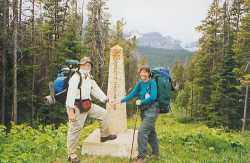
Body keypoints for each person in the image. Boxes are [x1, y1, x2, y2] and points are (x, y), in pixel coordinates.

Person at [66, 57, 117, 163]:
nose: (87, 67)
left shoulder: (89, 77)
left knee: (103, 114)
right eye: (85, 65)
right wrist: (70, 111)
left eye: (89, 65)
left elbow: (96, 90)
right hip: (76, 106)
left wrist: (107, 100)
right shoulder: (76, 77)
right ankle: (72, 155)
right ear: (80, 65)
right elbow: (70, 95)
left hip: (87, 104)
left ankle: (104, 136)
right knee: (75, 129)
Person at [112, 65, 160, 163]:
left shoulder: (152, 83)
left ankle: (142, 156)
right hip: (144, 110)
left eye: (145, 72)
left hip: (152, 110)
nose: (142, 74)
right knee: (150, 132)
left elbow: (153, 97)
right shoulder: (140, 83)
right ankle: (156, 153)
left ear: (148, 73)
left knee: (142, 132)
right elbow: (132, 94)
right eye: (141, 72)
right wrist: (120, 100)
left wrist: (141, 102)